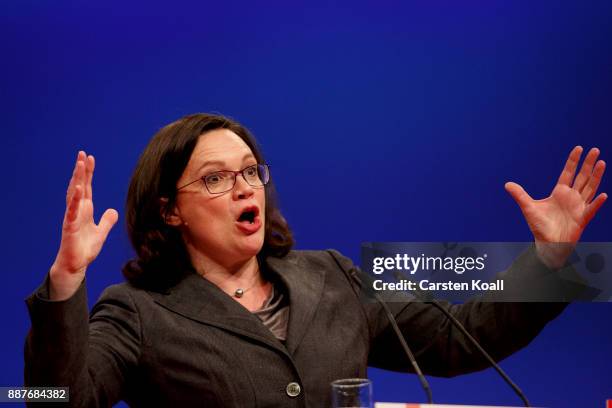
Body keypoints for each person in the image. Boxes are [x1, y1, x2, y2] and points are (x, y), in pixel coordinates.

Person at [24, 113, 607, 407]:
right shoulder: (137, 312)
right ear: (169, 211)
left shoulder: (332, 275)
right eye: (215, 179)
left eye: (251, 171)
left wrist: (547, 260)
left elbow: (462, 337)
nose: (245, 188)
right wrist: (66, 280)